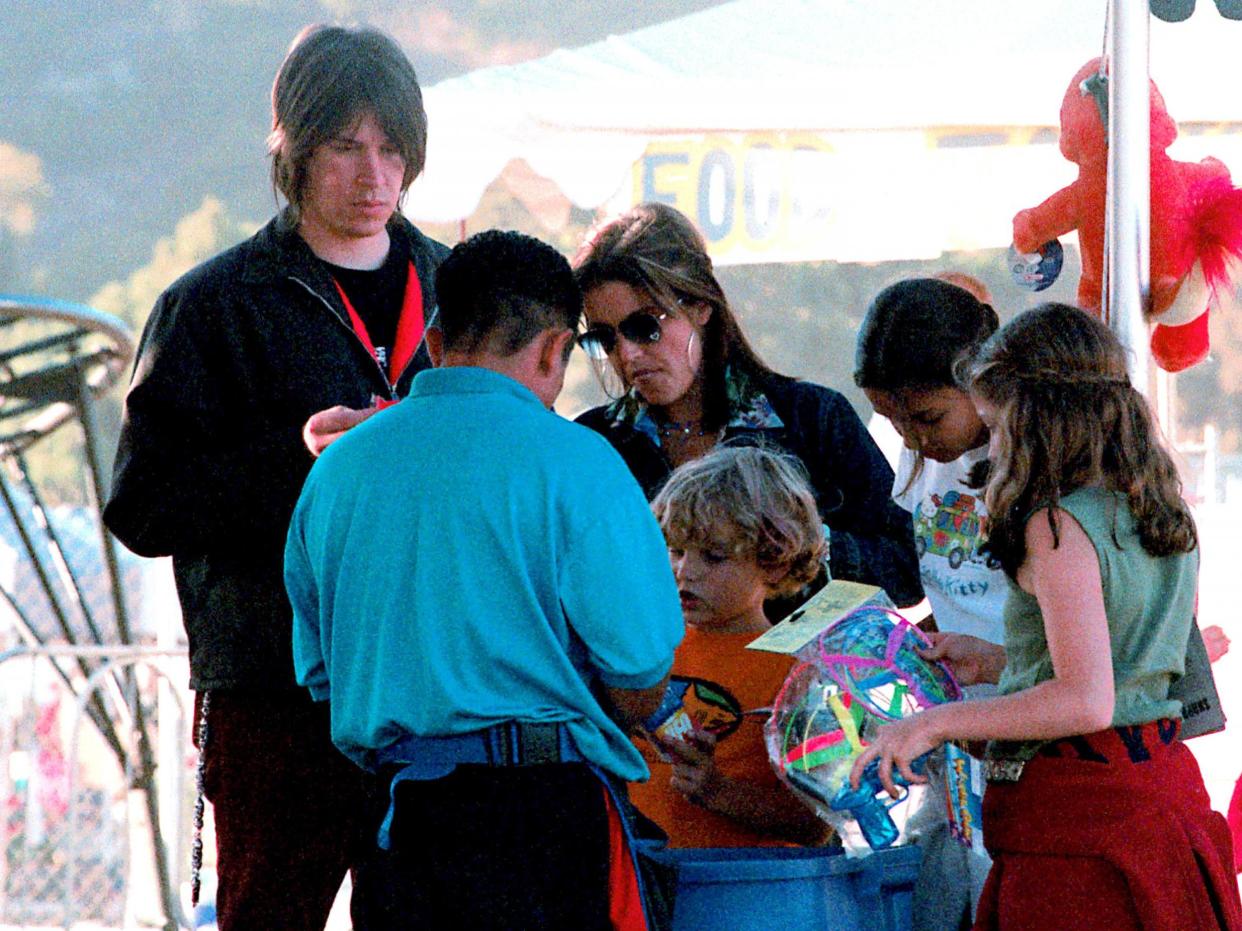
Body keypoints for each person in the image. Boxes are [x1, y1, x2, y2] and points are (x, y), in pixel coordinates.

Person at [102, 25, 449, 930]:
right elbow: (141, 503)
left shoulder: (457, 292)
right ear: (293, 150)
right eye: (345, 145)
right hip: (273, 691)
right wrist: (296, 460)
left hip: (440, 683)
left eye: (392, 148)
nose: (374, 173)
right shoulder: (212, 304)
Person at [285, 230, 684, 930]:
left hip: (398, 823)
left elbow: (322, 676)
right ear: (555, 349)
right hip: (544, 824)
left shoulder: (336, 473)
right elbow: (639, 675)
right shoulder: (579, 463)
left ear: (434, 342)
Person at [852, 304, 1242, 929]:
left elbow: (1087, 702)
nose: (994, 447)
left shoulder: (1056, 523)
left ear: (1037, 418)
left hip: (1082, 832)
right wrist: (1001, 663)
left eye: (999, 426)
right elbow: (1130, 675)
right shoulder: (1156, 510)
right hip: (1160, 801)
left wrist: (935, 723)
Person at [572, 202, 921, 610]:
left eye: (645, 327)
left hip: (798, 672)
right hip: (655, 673)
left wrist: (809, 542)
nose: (627, 354)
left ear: (702, 305)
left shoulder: (811, 417)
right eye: (603, 338)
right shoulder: (594, 445)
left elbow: (907, 570)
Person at [854, 277, 1004, 931]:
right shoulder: (923, 467)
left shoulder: (1031, 461)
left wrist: (994, 662)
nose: (912, 440)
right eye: (893, 423)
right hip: (961, 743)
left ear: (980, 378)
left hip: (1036, 730)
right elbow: (944, 594)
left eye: (927, 418)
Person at [631, 446, 832, 848]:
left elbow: (818, 821)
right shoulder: (643, 648)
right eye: (676, 550)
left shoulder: (800, 670)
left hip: (744, 891)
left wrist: (716, 790)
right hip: (641, 886)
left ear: (774, 559)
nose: (685, 571)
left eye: (714, 556)